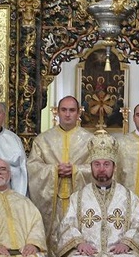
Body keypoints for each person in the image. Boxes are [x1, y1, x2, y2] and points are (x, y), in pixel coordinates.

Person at [26, 96, 94, 248]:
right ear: (57, 112)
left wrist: (75, 170)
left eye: (72, 110)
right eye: (64, 110)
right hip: (52, 201)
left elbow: (98, 168)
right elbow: (33, 167)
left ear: (79, 113)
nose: (68, 114)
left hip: (79, 200)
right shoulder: (43, 140)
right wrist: (54, 170)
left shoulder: (90, 140)